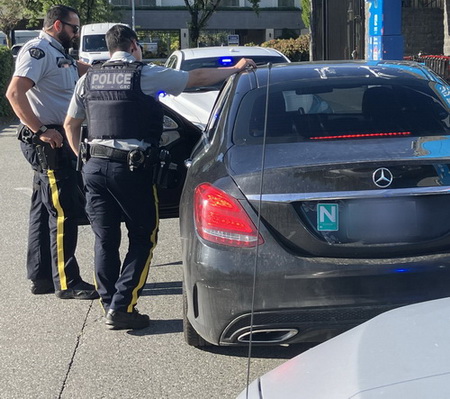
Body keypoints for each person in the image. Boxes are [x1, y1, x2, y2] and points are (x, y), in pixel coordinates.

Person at [63, 24, 257, 330]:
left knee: (105, 237)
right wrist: (236, 68)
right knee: (143, 235)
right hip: (130, 169)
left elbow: (70, 124)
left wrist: (82, 157)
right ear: (134, 46)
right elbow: (197, 78)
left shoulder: (89, 78)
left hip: (93, 168)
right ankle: (122, 306)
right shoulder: (143, 74)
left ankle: (110, 302)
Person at [6, 5, 98, 300]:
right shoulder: (39, 51)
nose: (77, 33)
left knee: (42, 209)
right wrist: (40, 130)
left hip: (53, 139)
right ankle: (68, 281)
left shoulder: (58, 51)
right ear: (57, 25)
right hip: (50, 142)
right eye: (74, 28)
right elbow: (14, 92)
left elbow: (77, 70)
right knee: (63, 212)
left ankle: (42, 276)